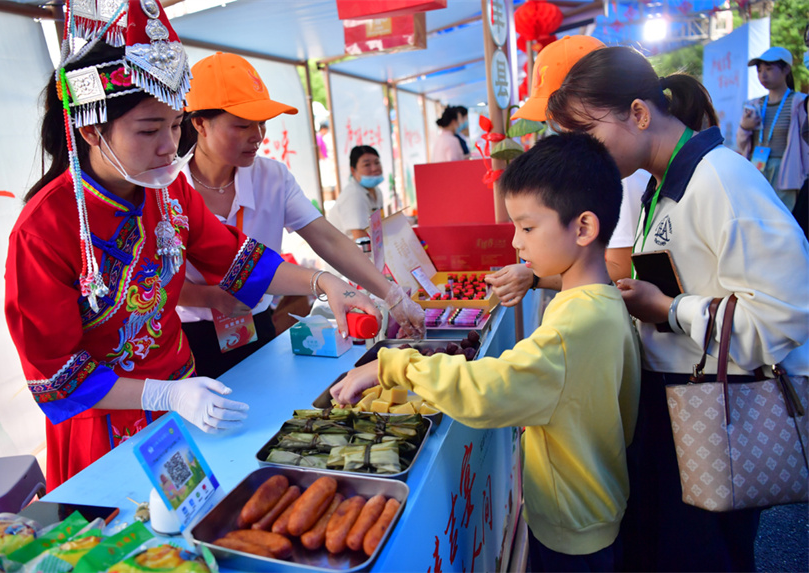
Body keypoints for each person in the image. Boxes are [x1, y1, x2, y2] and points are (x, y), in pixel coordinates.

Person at [4, 0, 378, 491]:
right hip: (106, 421)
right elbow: (54, 375)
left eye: (174, 125)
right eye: (148, 130)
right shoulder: (44, 228)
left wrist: (320, 279)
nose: (168, 145)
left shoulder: (168, 189)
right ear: (93, 129)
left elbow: (236, 260)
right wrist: (164, 395)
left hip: (188, 391)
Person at [547, 45, 809, 572]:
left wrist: (670, 308)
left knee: (702, 556)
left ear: (639, 114)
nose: (584, 155)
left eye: (589, 136)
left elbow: (786, 311)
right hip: (677, 405)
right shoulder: (662, 185)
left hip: (716, 412)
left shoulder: (722, 180)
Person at [332, 132, 641, 572]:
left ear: (585, 227)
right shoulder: (604, 302)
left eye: (528, 227)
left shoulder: (573, 328)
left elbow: (483, 391)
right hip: (599, 499)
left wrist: (391, 364)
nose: (516, 242)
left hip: (572, 526)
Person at [177, 52, 424, 377]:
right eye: (242, 125)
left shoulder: (272, 177)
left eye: (262, 122)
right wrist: (208, 297)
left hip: (256, 324)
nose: (258, 135)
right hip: (190, 338)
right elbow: (150, 281)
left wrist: (392, 295)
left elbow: (328, 239)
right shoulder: (169, 188)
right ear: (199, 123)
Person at [486, 34, 647, 305]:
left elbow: (620, 272)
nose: (561, 130)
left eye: (566, 118)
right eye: (555, 121)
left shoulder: (620, 172)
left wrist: (536, 278)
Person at [737, 46, 808, 213]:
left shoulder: (799, 102)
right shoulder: (754, 104)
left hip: (786, 171)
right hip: (756, 167)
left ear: (786, 69)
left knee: (783, 218)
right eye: (759, 70)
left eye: (769, 69)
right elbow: (741, 145)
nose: (763, 74)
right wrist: (744, 128)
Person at [326, 145, 385, 240]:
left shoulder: (377, 191)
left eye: (377, 162)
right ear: (353, 170)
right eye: (367, 165)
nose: (374, 168)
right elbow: (361, 240)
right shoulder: (354, 195)